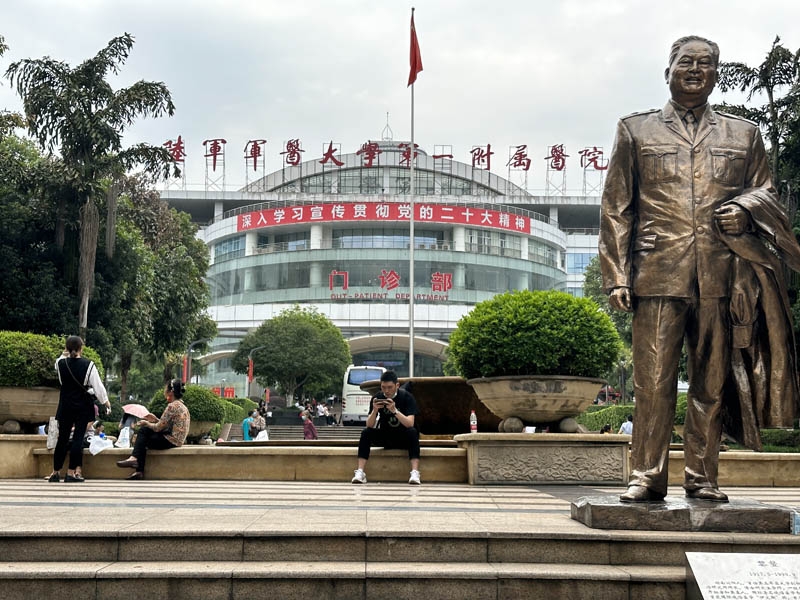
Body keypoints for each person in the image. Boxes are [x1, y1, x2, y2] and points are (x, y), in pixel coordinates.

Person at [600, 35, 800, 503]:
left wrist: (746, 210)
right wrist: (617, 277)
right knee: (653, 383)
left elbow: (766, 192)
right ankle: (646, 475)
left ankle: (702, 476)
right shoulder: (636, 130)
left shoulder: (743, 134)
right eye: (686, 62)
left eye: (706, 64)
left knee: (712, 383)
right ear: (667, 71)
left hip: (721, 276)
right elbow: (616, 208)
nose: (695, 70)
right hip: (656, 273)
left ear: (716, 75)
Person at [46, 336, 110, 483]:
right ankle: (70, 473)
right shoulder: (89, 365)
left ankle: (55, 472)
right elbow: (98, 386)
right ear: (81, 348)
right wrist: (105, 402)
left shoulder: (60, 364)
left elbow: (59, 363)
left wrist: (65, 353)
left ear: (67, 348)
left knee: (62, 439)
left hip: (65, 405)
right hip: (82, 406)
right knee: (78, 439)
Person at [351, 370, 421, 485]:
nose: (386, 391)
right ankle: (360, 472)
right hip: (386, 435)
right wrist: (374, 411)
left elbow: (410, 423)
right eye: (383, 387)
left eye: (390, 387)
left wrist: (394, 410)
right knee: (366, 433)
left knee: (413, 432)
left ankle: (415, 472)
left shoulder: (406, 397)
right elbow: (369, 425)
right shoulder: (377, 397)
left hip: (403, 437)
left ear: (397, 385)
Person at [115, 379, 190, 480]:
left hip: (171, 440)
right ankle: (138, 469)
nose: (164, 391)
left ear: (171, 392)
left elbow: (158, 428)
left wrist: (147, 423)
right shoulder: (182, 406)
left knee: (143, 431)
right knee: (143, 439)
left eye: (165, 389)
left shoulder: (172, 406)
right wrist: (155, 420)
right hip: (177, 440)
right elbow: (167, 426)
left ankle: (136, 463)